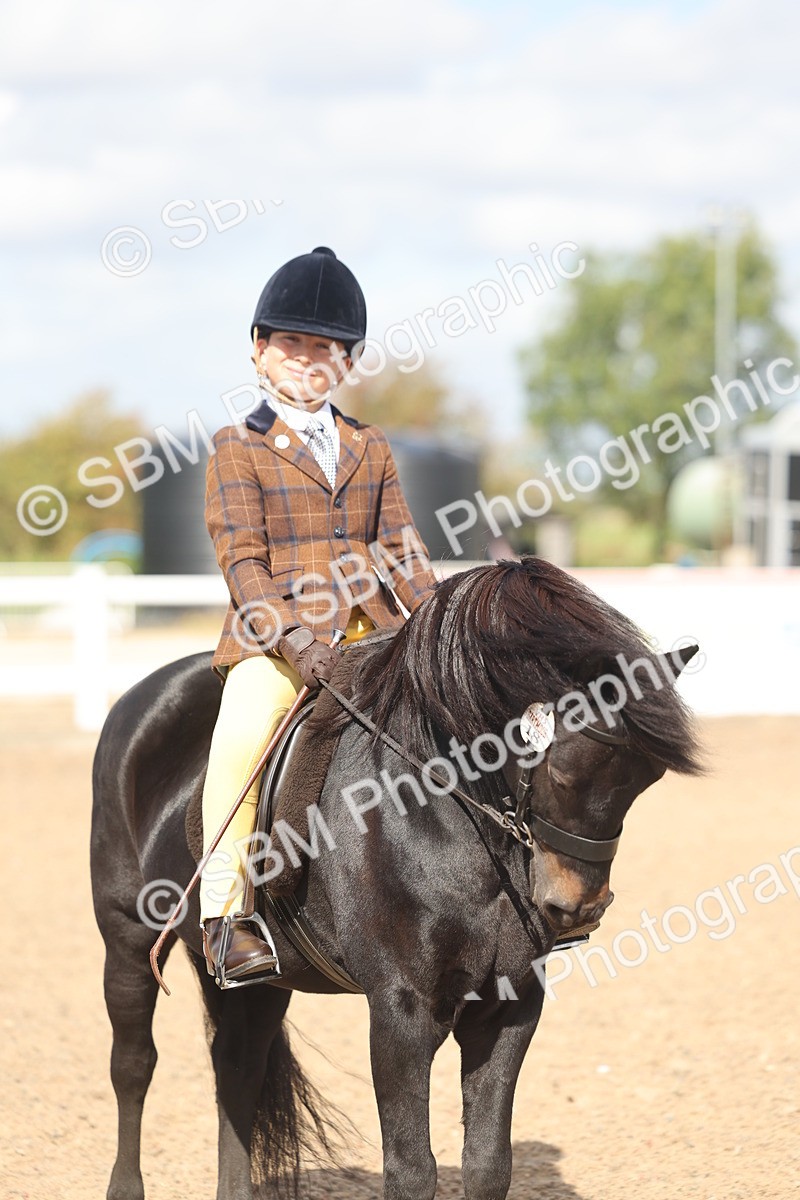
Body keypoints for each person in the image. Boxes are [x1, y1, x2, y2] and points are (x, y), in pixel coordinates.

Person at [200, 246, 437, 987]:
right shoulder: (236, 449)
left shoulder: (370, 446)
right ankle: (224, 916)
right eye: (292, 344)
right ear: (259, 352)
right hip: (277, 644)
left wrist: (441, 622)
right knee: (240, 743)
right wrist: (297, 643)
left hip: (371, 632)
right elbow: (244, 565)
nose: (308, 360)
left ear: (348, 362)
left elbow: (402, 551)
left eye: (325, 349)